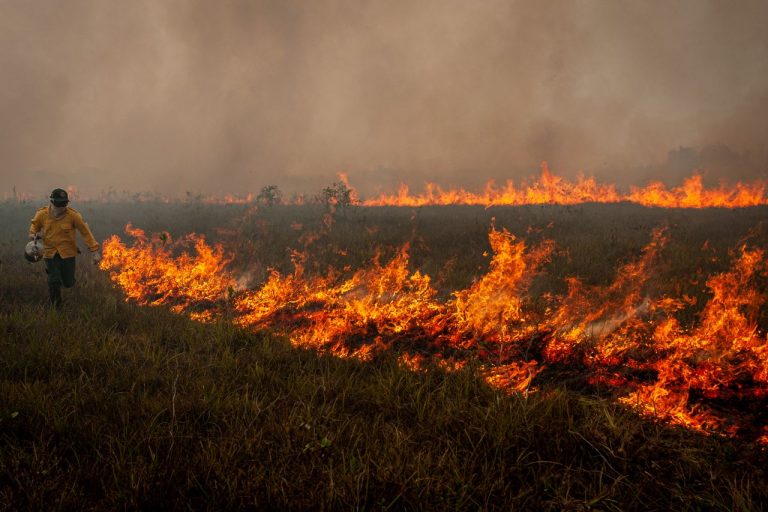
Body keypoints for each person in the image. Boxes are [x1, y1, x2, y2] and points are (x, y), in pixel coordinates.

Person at [29, 188, 101, 307]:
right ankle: (56, 307)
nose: (62, 207)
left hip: (68, 253)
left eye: (64, 203)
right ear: (52, 202)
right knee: (54, 280)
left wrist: (95, 252)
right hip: (50, 253)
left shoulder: (73, 216)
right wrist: (34, 236)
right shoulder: (42, 214)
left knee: (68, 282)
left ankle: (59, 279)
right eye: (59, 203)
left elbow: (86, 233)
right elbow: (32, 230)